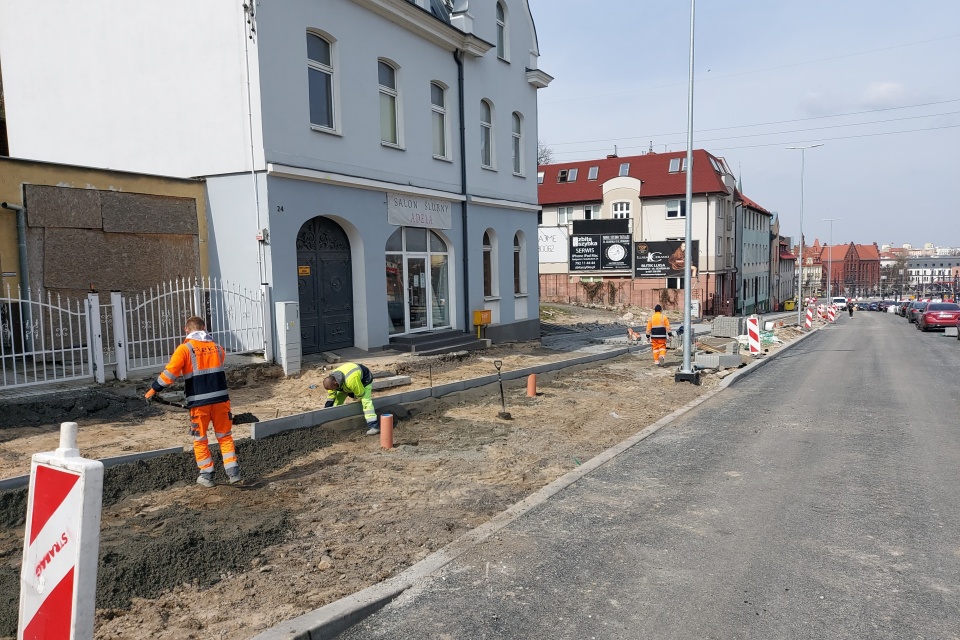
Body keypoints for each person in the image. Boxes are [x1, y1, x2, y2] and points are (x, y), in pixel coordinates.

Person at [145, 316, 240, 488]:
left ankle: (206, 474)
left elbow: (169, 374)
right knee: (225, 436)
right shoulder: (218, 348)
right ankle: (233, 473)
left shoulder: (185, 349)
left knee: (200, 439)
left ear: (186, 329)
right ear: (204, 328)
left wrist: (152, 390)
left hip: (199, 403)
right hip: (221, 401)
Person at [323, 362, 379, 435]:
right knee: (338, 399)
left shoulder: (351, 380)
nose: (333, 390)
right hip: (347, 382)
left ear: (336, 383)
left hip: (364, 380)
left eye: (333, 389)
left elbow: (360, 393)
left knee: (366, 401)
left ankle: (374, 426)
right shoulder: (331, 380)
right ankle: (335, 418)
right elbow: (331, 395)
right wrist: (327, 408)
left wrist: (350, 393)